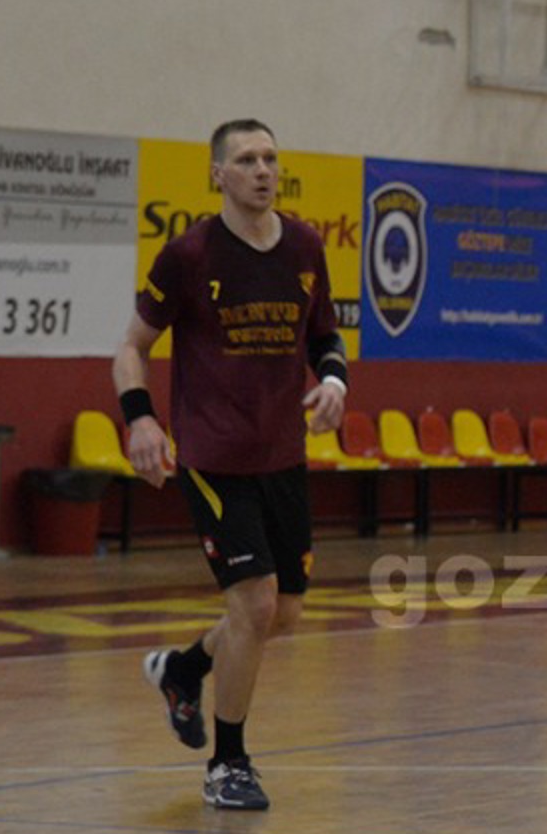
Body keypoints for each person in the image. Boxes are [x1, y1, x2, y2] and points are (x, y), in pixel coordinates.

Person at [112, 119, 347, 811]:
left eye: (270, 158)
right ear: (218, 174)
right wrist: (141, 418)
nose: (263, 170)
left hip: (283, 455)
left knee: (284, 613)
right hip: (214, 458)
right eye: (247, 159)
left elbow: (325, 335)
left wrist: (335, 381)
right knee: (254, 604)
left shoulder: (305, 246)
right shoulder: (188, 255)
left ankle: (183, 670)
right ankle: (228, 764)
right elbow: (131, 348)